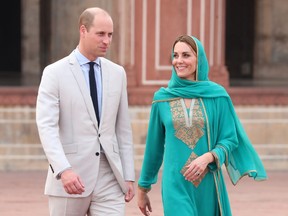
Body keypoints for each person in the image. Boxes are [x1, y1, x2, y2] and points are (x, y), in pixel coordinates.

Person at [137, 35, 267, 216]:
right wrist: (143, 188)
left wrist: (209, 157)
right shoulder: (162, 98)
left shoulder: (216, 96)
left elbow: (230, 139)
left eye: (186, 55)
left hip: (208, 183)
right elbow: (154, 147)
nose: (179, 61)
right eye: (175, 56)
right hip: (175, 184)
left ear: (199, 60)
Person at [36, 7, 135, 216]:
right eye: (100, 34)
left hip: (110, 176)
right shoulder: (54, 73)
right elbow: (47, 127)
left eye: (110, 35)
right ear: (83, 30)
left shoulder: (118, 74)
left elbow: (123, 129)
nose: (106, 40)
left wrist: (128, 174)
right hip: (71, 178)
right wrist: (63, 170)